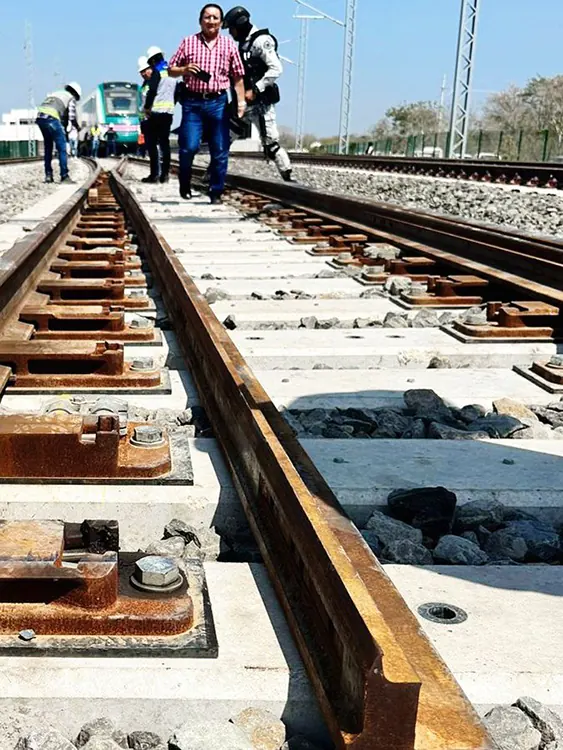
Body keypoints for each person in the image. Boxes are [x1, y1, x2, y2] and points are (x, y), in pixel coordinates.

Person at [169, 3, 246, 203]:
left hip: (218, 102)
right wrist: (185, 70)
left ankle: (216, 191)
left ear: (221, 22)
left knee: (220, 148)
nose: (211, 21)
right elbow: (170, 69)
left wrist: (241, 102)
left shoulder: (228, 45)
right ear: (200, 20)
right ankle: (184, 182)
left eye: (215, 18)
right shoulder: (188, 42)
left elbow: (237, 77)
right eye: (207, 17)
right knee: (189, 147)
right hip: (193, 103)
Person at [223, 6, 293, 181]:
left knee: (270, 144)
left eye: (231, 28)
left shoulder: (261, 41)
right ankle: (213, 174)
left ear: (240, 24)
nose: (230, 33)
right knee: (224, 138)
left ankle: (288, 177)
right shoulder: (244, 44)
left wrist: (256, 89)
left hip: (261, 104)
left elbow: (276, 69)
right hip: (242, 104)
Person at [142, 45, 177, 183]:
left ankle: (154, 174)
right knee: (164, 144)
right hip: (168, 113)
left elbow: (152, 91)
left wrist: (147, 107)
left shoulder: (156, 72)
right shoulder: (172, 70)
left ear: (152, 60)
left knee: (152, 144)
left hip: (155, 112)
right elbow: (177, 91)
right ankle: (165, 175)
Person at [35, 81, 82, 183]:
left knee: (48, 147)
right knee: (62, 148)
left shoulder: (56, 94)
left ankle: (48, 176)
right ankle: (64, 176)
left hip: (40, 118)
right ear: (75, 93)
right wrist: (77, 127)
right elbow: (72, 116)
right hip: (52, 118)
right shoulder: (70, 98)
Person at [137, 55, 152, 160]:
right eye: (140, 72)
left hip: (153, 117)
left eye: (144, 70)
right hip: (144, 119)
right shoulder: (143, 85)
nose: (142, 74)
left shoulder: (155, 82)